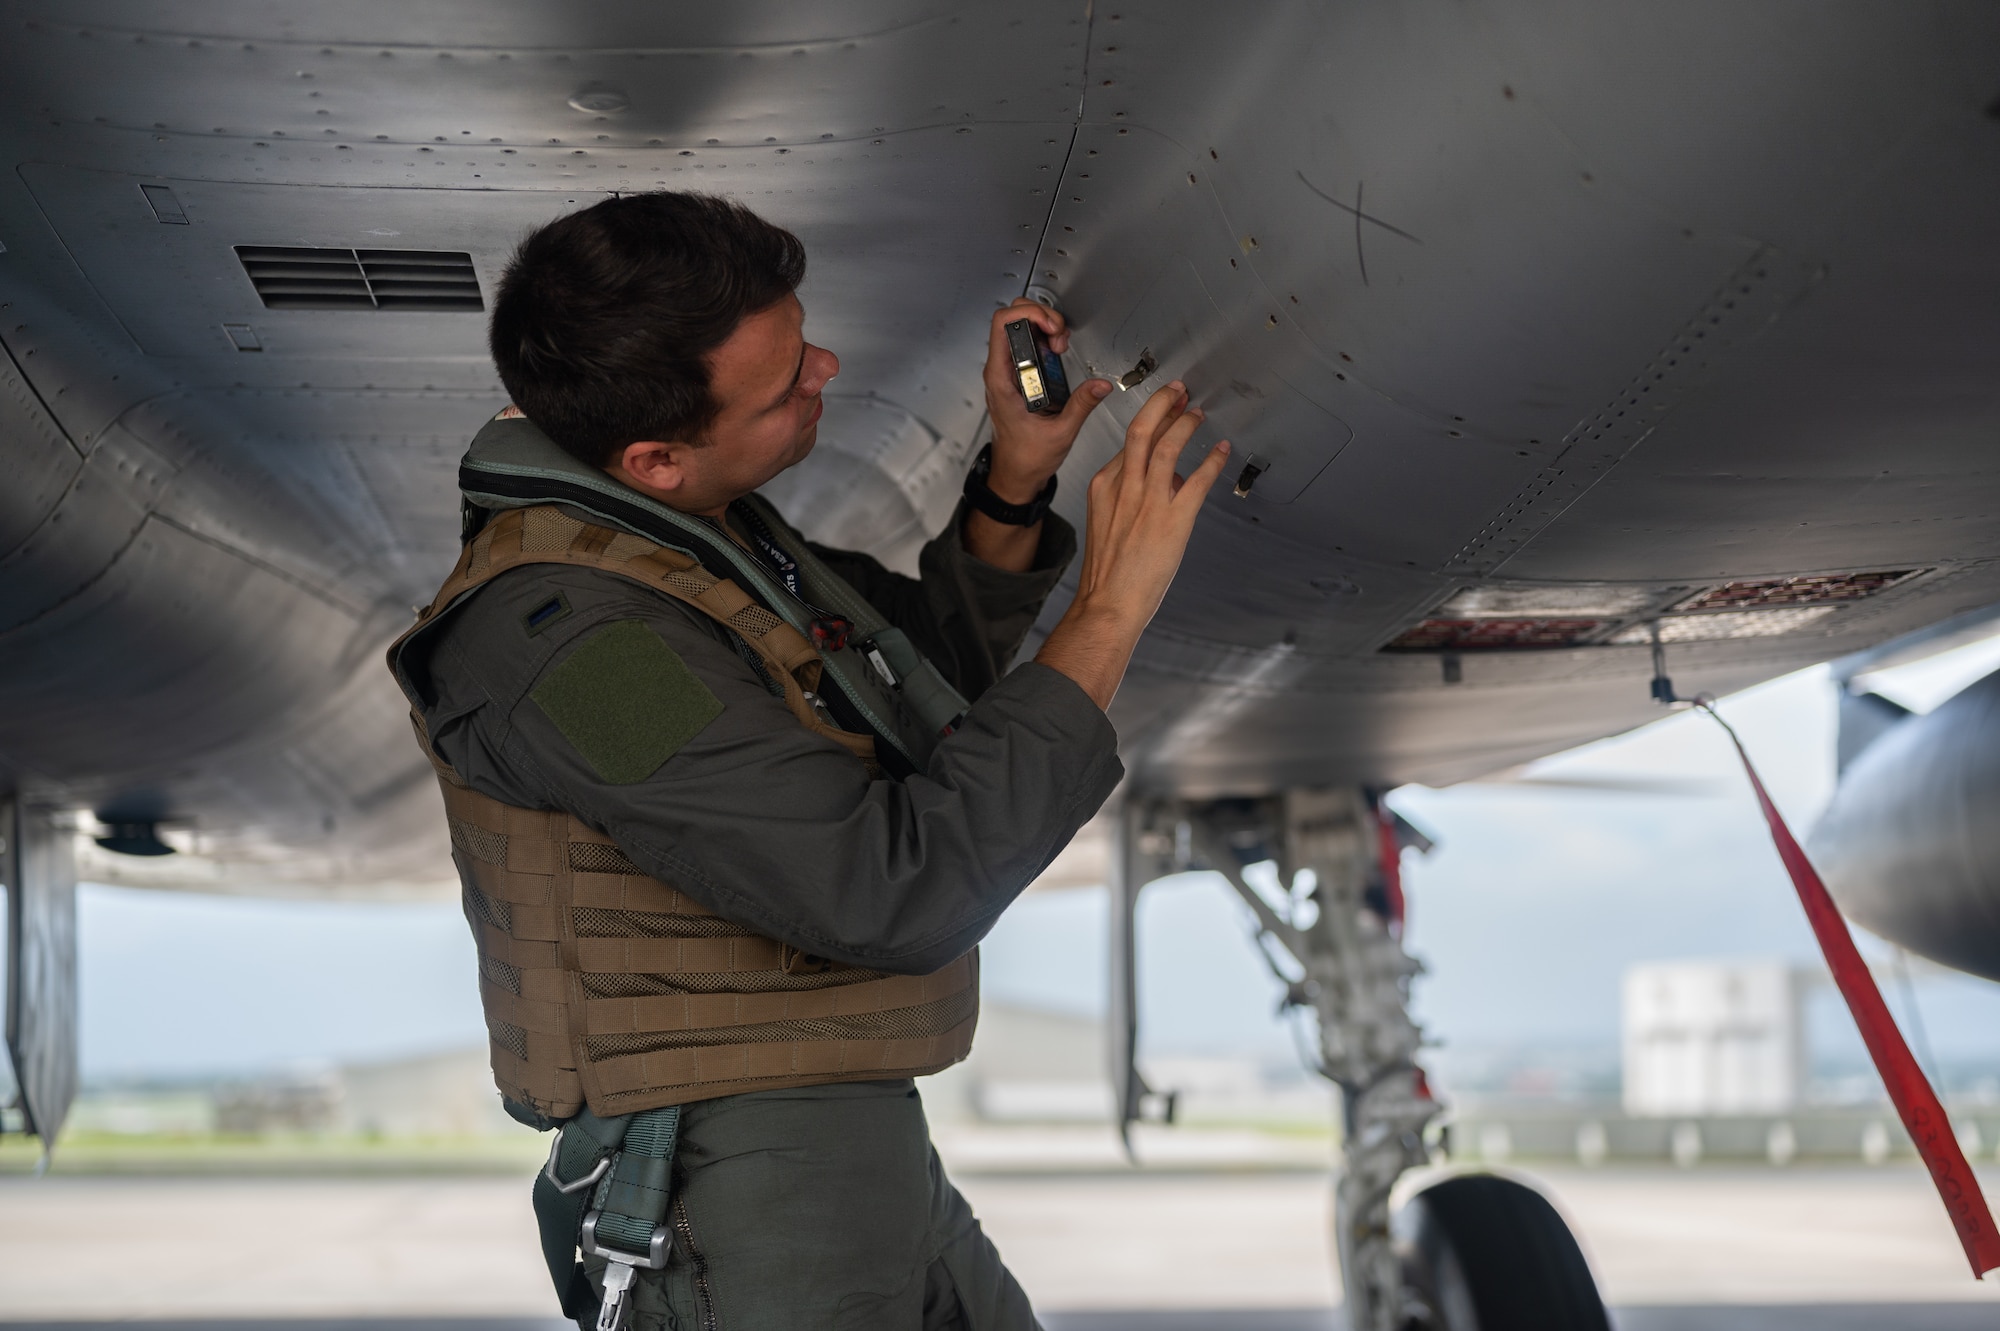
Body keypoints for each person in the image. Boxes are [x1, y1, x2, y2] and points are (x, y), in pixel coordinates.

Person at [387, 191, 1228, 1331]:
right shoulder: (576, 652)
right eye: (787, 382)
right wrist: (1109, 609)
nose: (826, 365)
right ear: (655, 457)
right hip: (743, 1178)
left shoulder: (680, 540)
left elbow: (908, 699)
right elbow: (891, 888)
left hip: (831, 1147)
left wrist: (1014, 483)